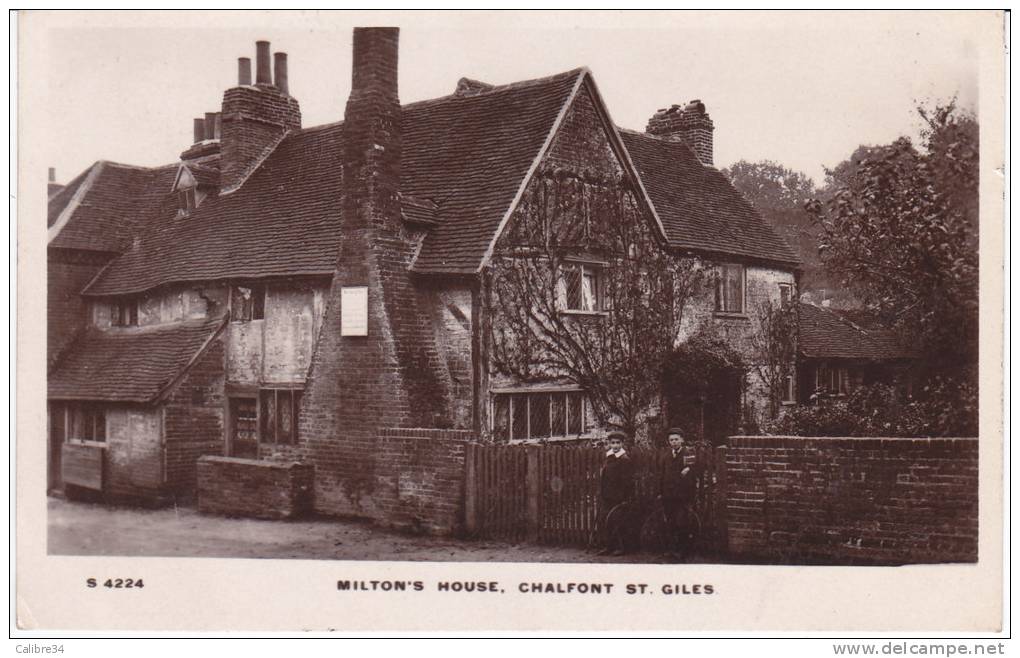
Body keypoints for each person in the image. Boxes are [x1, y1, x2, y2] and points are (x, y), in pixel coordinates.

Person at [658, 428, 702, 556]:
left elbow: (695, 471)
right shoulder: (666, 455)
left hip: (683, 495)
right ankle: (672, 549)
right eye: (671, 440)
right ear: (668, 441)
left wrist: (689, 470)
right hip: (668, 495)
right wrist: (661, 492)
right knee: (670, 522)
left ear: (682, 440)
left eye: (676, 439)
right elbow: (661, 474)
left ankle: (683, 551)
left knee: (682, 522)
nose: (674, 442)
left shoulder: (688, 453)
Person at [597, 431, 635, 556]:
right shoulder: (608, 458)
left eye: (618, 443)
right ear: (609, 444)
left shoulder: (624, 459)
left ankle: (621, 547)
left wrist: (625, 497)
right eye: (613, 443)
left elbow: (628, 481)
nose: (615, 446)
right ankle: (609, 546)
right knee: (607, 521)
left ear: (622, 444)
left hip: (619, 497)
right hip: (607, 495)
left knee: (619, 521)